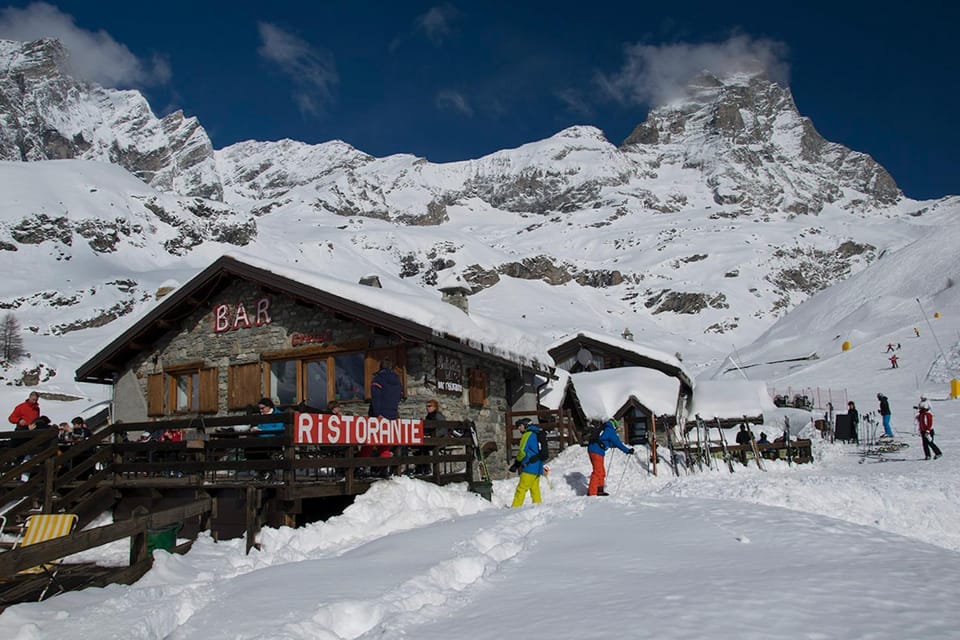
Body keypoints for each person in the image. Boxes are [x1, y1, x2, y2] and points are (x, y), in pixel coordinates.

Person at [586, 418, 635, 496]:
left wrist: (612, 445)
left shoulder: (604, 429)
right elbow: (618, 443)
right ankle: (592, 493)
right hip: (596, 451)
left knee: (601, 471)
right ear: (614, 426)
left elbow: (605, 441)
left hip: (593, 449)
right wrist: (627, 450)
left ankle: (599, 490)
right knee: (597, 471)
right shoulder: (610, 431)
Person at [510, 418, 546, 507]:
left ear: (525, 425)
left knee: (521, 488)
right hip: (538, 466)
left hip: (529, 466)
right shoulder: (537, 433)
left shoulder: (527, 435)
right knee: (535, 489)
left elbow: (522, 451)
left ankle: (515, 508)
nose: (518, 428)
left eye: (520, 426)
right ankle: (538, 506)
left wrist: (516, 463)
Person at [249, 398, 284, 480]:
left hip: (275, 440)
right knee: (249, 449)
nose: (261, 411)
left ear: (269, 407)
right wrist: (255, 429)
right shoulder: (263, 417)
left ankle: (266, 472)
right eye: (260, 409)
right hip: (262, 440)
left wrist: (262, 430)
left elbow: (279, 428)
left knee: (260, 449)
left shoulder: (278, 415)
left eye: (262, 408)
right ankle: (262, 472)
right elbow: (260, 427)